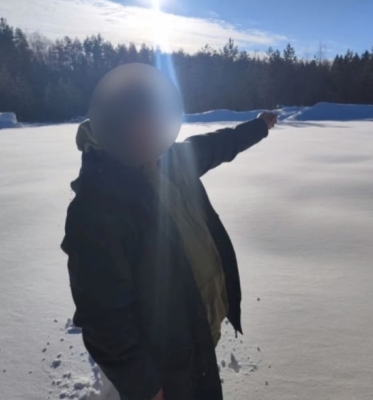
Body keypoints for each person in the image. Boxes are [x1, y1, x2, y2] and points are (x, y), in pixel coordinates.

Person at [61, 63, 277, 400]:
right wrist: (146, 387)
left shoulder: (172, 160)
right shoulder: (98, 207)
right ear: (115, 123)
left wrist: (259, 127)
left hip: (197, 340)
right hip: (165, 369)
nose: (151, 127)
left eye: (156, 117)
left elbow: (219, 145)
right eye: (139, 120)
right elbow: (103, 319)